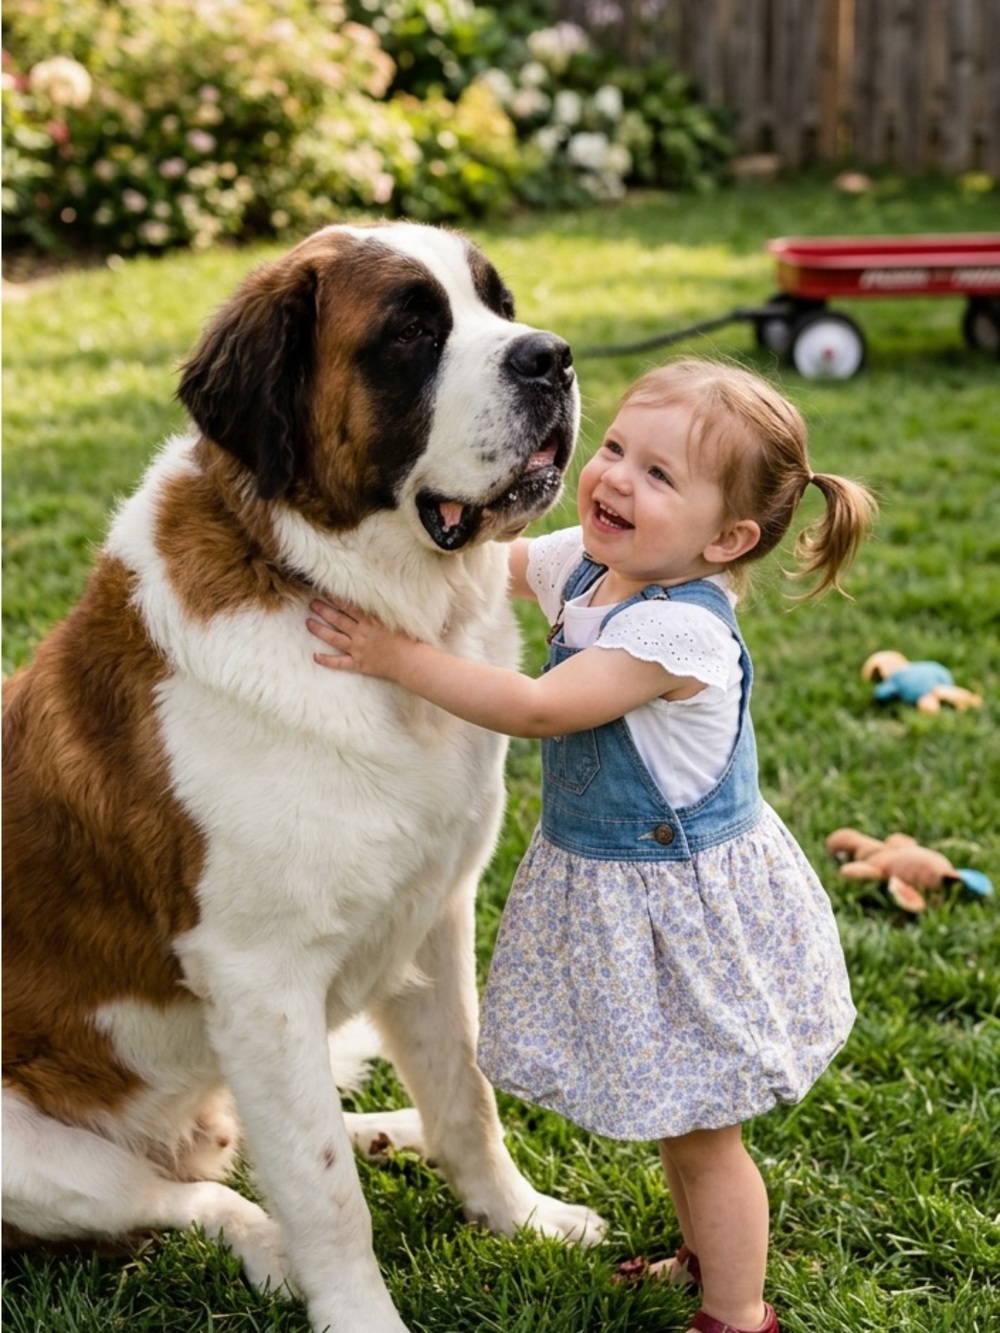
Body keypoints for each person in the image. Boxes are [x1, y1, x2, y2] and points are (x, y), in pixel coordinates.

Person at [307, 358, 877, 1333]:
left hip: (687, 918)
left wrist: (396, 655)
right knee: (681, 1121)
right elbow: (491, 562)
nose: (613, 476)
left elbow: (538, 707)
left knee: (707, 1138)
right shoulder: (594, 564)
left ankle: (737, 1312)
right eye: (614, 447)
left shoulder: (676, 635)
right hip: (635, 903)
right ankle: (703, 1261)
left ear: (726, 539)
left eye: (659, 475)